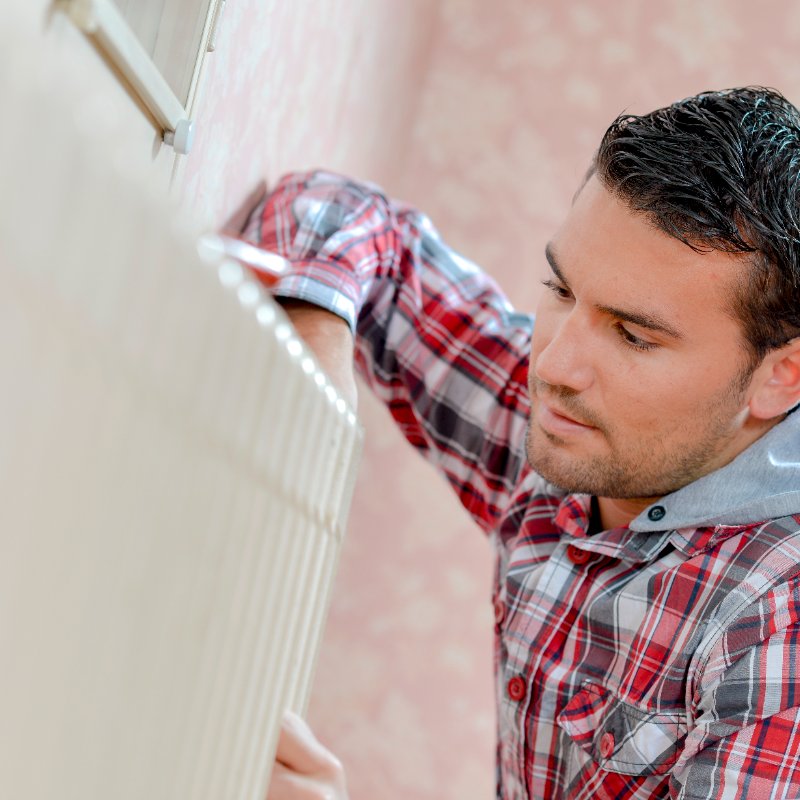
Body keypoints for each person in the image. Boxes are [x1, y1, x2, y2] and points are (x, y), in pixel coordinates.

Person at [256, 87, 800, 799]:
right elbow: (333, 212)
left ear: (781, 377)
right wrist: (318, 348)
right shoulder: (581, 418)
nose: (554, 365)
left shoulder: (777, 625)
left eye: (633, 336)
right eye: (562, 289)